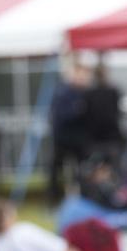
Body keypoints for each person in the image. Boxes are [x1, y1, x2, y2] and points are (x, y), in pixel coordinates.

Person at [49, 63, 92, 205]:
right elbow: (62, 115)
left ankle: (82, 196)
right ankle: (54, 199)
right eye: (80, 75)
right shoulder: (63, 92)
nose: (83, 78)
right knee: (56, 170)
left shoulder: (86, 92)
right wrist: (78, 110)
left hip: (80, 139)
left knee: (82, 170)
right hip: (63, 138)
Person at [85, 63, 125, 165]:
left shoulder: (89, 93)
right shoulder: (111, 92)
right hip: (106, 139)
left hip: (98, 138)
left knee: (95, 168)